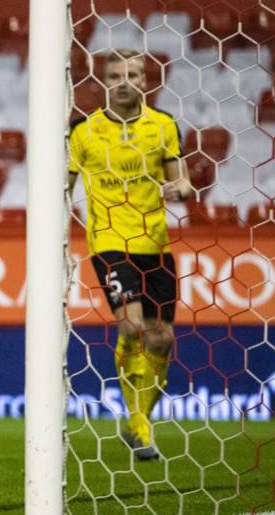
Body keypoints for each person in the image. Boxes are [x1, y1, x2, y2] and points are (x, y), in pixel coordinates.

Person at [67, 49, 192, 461]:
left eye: (133, 74)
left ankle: (138, 418)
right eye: (116, 74)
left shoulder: (163, 125)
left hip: (155, 244)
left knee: (163, 337)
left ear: (145, 80)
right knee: (132, 328)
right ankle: (139, 424)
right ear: (103, 80)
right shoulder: (83, 133)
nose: (124, 81)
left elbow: (183, 182)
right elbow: (61, 187)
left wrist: (182, 190)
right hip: (108, 241)